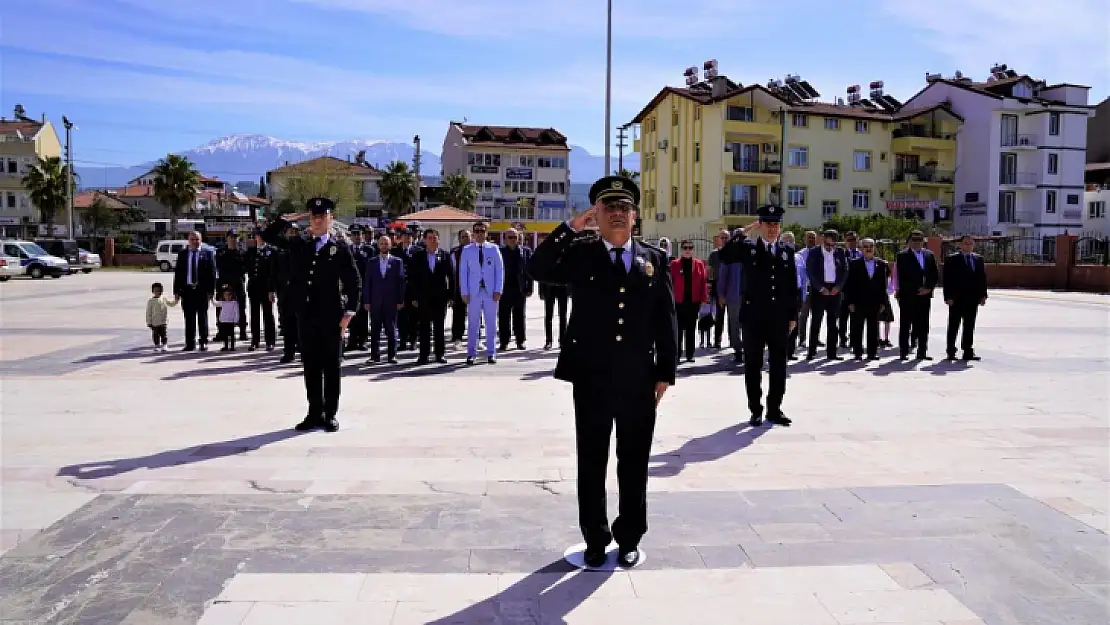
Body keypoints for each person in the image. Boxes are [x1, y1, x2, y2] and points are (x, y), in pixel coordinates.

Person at [527, 175, 677, 570]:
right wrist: (571, 227)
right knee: (591, 461)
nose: (617, 214)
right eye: (608, 208)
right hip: (592, 376)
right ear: (596, 213)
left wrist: (666, 372)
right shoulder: (580, 252)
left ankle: (629, 536)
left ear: (635, 216)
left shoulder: (654, 259)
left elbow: (666, 318)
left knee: (634, 461)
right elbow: (537, 268)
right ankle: (595, 537)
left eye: (624, 208)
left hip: (639, 378)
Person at [261, 198, 361, 432]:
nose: (317, 220)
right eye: (313, 216)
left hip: (331, 316)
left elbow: (353, 281)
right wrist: (285, 219)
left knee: (331, 366)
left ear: (330, 219)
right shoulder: (300, 243)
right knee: (311, 366)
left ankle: (330, 414)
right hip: (306, 315)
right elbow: (268, 237)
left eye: (322, 216)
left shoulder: (340, 247)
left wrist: (350, 311)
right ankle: (314, 412)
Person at [719, 205, 799, 427]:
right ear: (760, 225)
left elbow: (792, 285)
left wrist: (793, 315)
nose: (772, 229)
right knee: (753, 365)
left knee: (778, 365)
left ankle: (774, 408)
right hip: (753, 317)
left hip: (779, 318)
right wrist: (743, 231)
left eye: (776, 224)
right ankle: (755, 409)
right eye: (768, 224)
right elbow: (724, 256)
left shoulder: (787, 251)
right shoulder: (748, 247)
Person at [459, 221, 504, 365]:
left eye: (482, 231)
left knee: (491, 323)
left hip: (490, 292)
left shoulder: (494, 249)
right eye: (477, 231)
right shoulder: (467, 250)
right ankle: (471, 353)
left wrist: (498, 289)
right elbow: (463, 272)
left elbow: (500, 270)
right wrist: (464, 292)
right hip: (473, 292)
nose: (479, 234)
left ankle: (491, 353)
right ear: (473, 233)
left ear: (486, 233)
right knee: (473, 324)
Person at [408, 228, 454, 364]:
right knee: (424, 328)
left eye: (435, 238)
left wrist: (451, 296)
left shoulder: (445, 255)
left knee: (439, 327)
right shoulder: (418, 256)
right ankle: (424, 355)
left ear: (438, 239)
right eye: (430, 238)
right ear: (425, 240)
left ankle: (440, 354)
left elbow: (451, 277)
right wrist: (414, 297)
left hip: (440, 297)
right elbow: (412, 278)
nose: (432, 240)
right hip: (423, 297)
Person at [804, 229, 849, 361]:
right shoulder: (814, 252)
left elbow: (845, 271)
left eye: (833, 245)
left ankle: (832, 353)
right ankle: (811, 352)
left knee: (833, 323)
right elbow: (810, 272)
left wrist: (838, 287)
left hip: (834, 291)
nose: (831, 248)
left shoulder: (840, 252)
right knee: (816, 322)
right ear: (823, 240)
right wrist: (820, 288)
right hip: (820, 290)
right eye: (828, 245)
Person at [895, 230, 939, 360]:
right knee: (905, 324)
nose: (917, 242)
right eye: (914, 239)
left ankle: (922, 352)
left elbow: (934, 274)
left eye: (919, 239)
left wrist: (929, 288)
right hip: (908, 296)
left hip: (924, 296)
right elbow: (902, 277)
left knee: (923, 324)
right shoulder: (902, 255)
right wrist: (914, 290)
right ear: (909, 241)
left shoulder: (929, 255)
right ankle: (904, 351)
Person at [844, 238, 890, 361]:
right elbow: (849, 285)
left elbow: (882, 285)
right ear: (861, 249)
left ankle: (872, 353)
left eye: (871, 246)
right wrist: (850, 302)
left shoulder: (880, 264)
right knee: (857, 327)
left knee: (873, 328)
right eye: (866, 246)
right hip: (858, 302)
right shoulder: (854, 263)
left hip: (874, 302)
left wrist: (883, 302)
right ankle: (858, 352)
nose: (869, 248)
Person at [943, 234, 988, 361]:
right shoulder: (952, 259)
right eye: (965, 243)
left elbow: (982, 279)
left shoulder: (978, 259)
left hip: (972, 299)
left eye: (970, 243)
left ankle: (968, 350)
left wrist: (983, 295)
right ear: (960, 245)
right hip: (956, 299)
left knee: (969, 326)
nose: (968, 246)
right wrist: (948, 297)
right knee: (953, 325)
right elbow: (947, 280)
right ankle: (951, 350)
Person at [172, 231, 217, 351]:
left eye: (197, 239)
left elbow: (212, 273)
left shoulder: (207, 253)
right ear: (188, 241)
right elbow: (178, 274)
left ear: (201, 240)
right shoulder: (182, 254)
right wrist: (176, 291)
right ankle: (190, 343)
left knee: (202, 317)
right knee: (189, 318)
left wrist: (211, 291)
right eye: (192, 239)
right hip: (187, 291)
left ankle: (203, 341)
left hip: (201, 291)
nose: (195, 242)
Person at [364, 234, 406, 364]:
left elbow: (401, 282)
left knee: (391, 330)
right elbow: (367, 282)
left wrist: (400, 300)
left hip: (391, 302)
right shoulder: (371, 262)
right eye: (381, 243)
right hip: (375, 301)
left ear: (391, 245)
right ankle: (374, 356)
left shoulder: (397, 261)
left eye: (386, 243)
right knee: (375, 329)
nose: (383, 245)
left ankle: (392, 356)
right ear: (378, 245)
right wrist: (367, 301)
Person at [669, 239, 709, 363]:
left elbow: (703, 282)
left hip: (693, 301)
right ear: (681, 250)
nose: (687, 250)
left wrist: (704, 298)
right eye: (685, 248)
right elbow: (670, 283)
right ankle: (677, 354)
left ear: (693, 250)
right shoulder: (674, 264)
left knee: (691, 328)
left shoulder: (699, 264)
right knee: (679, 329)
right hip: (679, 301)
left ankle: (690, 354)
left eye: (690, 248)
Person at [498, 228, 533, 350]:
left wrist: (529, 287)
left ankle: (520, 340)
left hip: (520, 288)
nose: (513, 240)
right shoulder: (499, 252)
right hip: (504, 288)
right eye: (510, 237)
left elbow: (529, 271)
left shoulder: (526, 252)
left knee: (519, 315)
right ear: (505, 239)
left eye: (515, 237)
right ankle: (504, 341)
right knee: (503, 316)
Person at [244, 228, 278, 351]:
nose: (258, 238)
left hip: (266, 287)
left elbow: (273, 272)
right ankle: (255, 340)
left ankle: (270, 341)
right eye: (257, 236)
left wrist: (272, 290)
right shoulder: (250, 252)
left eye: (261, 236)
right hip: (254, 287)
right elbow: (247, 267)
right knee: (254, 314)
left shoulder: (271, 251)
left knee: (268, 314)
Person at [273, 223, 300, 363]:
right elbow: (274, 272)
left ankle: (303, 352)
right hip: (285, 294)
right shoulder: (279, 251)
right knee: (287, 324)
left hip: (300, 294)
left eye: (295, 231)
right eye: (290, 231)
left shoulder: (303, 249)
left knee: (301, 325)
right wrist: (273, 290)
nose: (293, 233)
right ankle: (288, 352)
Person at [215, 230, 248, 343]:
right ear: (227, 238)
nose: (233, 239)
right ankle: (221, 332)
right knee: (221, 308)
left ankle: (242, 331)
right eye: (231, 237)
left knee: (241, 308)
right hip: (224, 284)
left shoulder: (241, 252)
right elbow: (220, 266)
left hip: (237, 283)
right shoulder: (220, 252)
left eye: (235, 237)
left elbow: (243, 268)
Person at [345, 226, 372, 352]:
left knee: (363, 315)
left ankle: (362, 341)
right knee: (351, 314)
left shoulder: (369, 250)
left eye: (359, 234)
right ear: (350, 236)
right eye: (354, 234)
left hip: (364, 287)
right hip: (350, 288)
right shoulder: (346, 249)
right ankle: (352, 341)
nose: (356, 236)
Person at [449, 229, 471, 345]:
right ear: (459, 239)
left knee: (475, 314)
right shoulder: (454, 252)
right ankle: (457, 336)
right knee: (458, 313)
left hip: (474, 288)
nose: (466, 239)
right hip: (458, 288)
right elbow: (450, 273)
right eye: (463, 237)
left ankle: (475, 337)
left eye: (467, 236)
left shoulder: (477, 250)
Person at [145, 281, 176, 352]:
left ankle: (164, 344)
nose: (157, 292)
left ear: (161, 291)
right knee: (155, 335)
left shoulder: (164, 299)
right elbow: (148, 312)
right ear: (153, 291)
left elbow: (170, 304)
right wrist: (149, 322)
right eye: (155, 291)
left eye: (159, 291)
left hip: (163, 321)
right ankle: (156, 345)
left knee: (164, 334)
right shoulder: (151, 301)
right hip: (154, 322)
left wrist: (176, 301)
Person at [539, 280, 569, 350]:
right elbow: (541, 271)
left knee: (563, 316)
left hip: (563, 287)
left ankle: (562, 340)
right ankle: (548, 340)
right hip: (549, 287)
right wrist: (541, 290)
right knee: (548, 315)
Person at [217, 286, 240, 351]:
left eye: (229, 294)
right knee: (225, 334)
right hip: (224, 321)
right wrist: (212, 299)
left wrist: (236, 319)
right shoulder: (223, 302)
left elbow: (236, 312)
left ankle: (232, 346)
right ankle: (226, 346)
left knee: (232, 335)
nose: (227, 296)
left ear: (232, 295)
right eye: (225, 294)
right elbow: (216, 303)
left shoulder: (234, 303)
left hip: (231, 321)